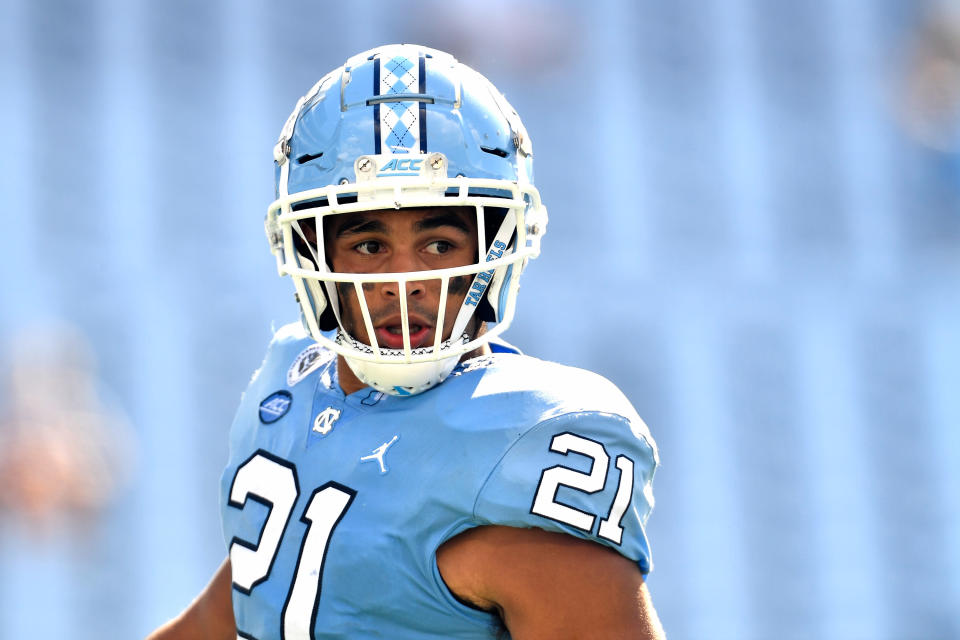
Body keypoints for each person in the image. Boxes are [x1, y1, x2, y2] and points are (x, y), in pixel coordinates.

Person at [148, 44, 664, 639]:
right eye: (369, 246)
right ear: (310, 255)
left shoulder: (526, 442)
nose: (406, 280)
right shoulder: (292, 380)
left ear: (495, 250)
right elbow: (246, 604)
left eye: (439, 244)